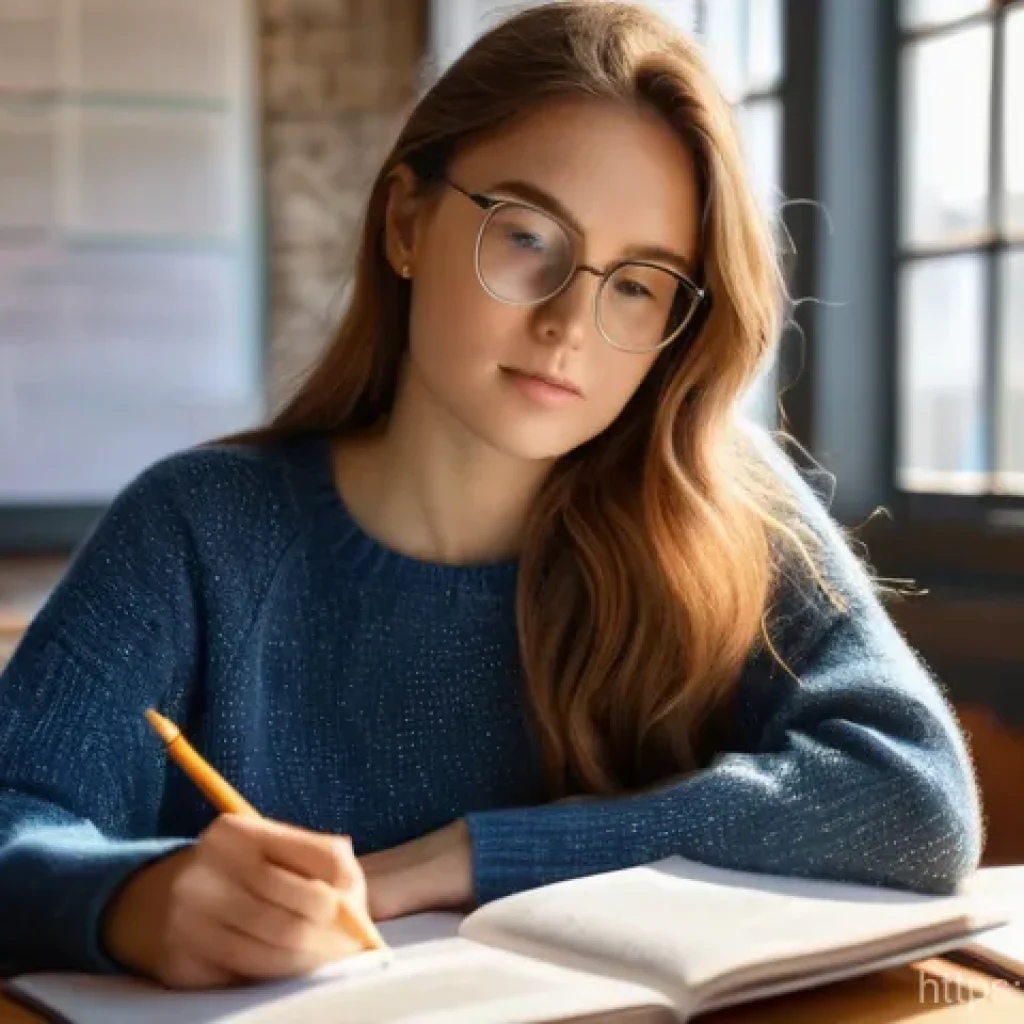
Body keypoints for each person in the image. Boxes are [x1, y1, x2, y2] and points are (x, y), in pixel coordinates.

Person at [0, 0, 981, 991]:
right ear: (405, 223)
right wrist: (135, 901)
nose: (569, 323)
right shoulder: (197, 530)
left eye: (637, 284)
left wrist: (464, 857)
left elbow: (914, 800)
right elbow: (12, 820)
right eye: (528, 237)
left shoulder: (727, 506)